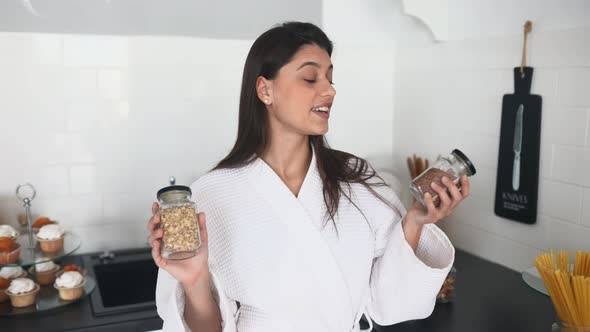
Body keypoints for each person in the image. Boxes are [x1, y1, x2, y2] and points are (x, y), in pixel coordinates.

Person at [148, 21, 469, 332]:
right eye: (311, 78)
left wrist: (414, 222)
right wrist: (194, 280)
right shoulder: (212, 194)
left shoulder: (356, 180)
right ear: (265, 89)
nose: (329, 90)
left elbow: (391, 305)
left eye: (330, 78)